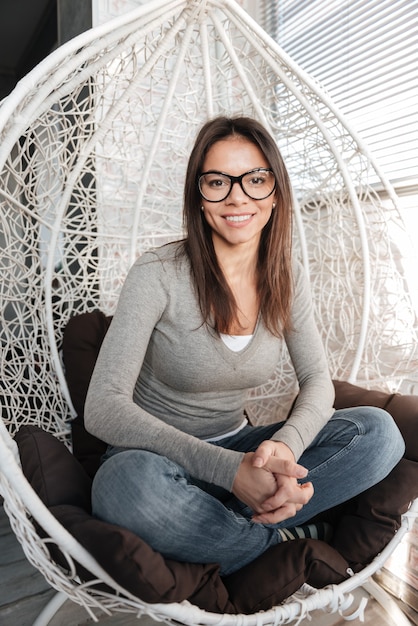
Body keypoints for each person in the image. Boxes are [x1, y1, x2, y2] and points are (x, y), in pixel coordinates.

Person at [85, 116, 404, 576]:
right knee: (126, 492)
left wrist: (285, 449)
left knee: (379, 433)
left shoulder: (286, 274)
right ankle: (279, 540)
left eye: (255, 179)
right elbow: (102, 407)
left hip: (245, 450)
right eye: (218, 181)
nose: (237, 196)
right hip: (156, 459)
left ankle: (227, 531)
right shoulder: (156, 273)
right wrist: (230, 471)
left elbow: (316, 380)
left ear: (275, 193)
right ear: (199, 195)